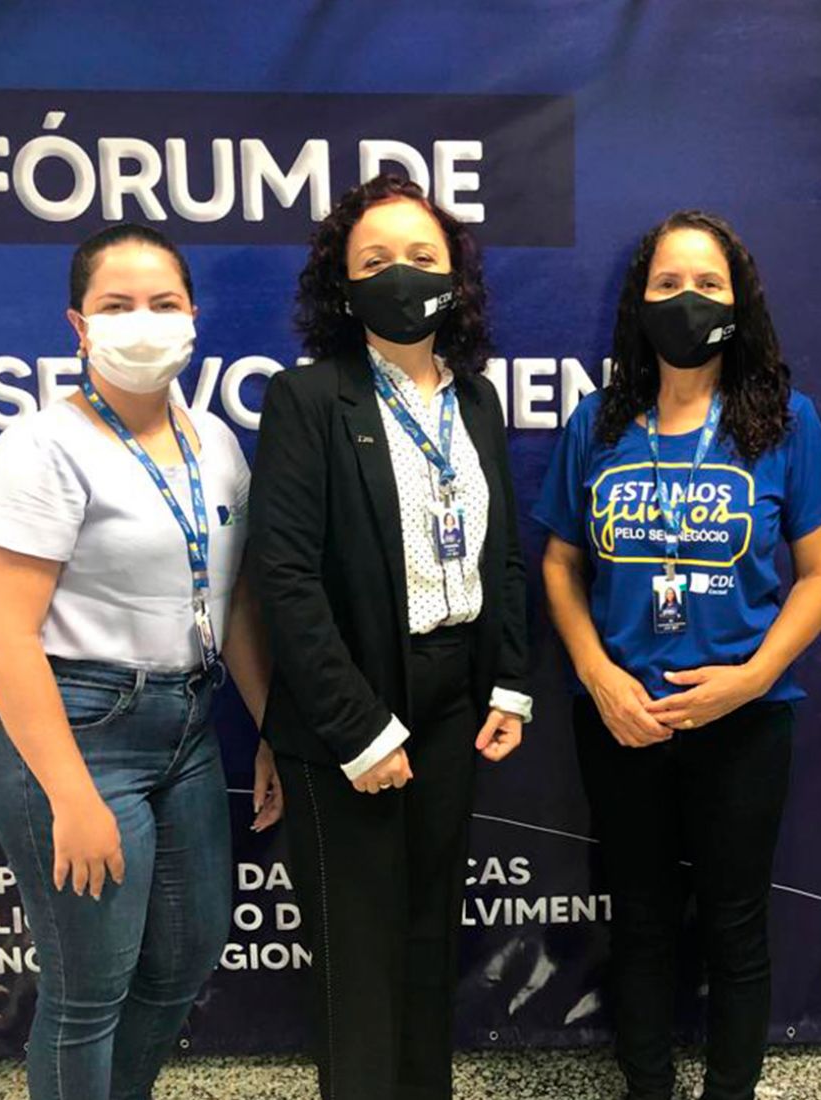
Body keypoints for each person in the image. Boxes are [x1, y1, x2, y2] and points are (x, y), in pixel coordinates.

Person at [535, 210, 821, 1100]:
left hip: (745, 723)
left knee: (734, 928)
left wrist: (752, 679)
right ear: (639, 303)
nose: (687, 299)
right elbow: (558, 564)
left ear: (738, 303)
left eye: (708, 283)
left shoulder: (786, 422)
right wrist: (598, 675)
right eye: (668, 283)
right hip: (622, 720)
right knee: (639, 924)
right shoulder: (599, 422)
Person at [0, 224, 281, 1100]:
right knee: (87, 990)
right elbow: (2, 634)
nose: (142, 322)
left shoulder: (215, 442)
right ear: (79, 326)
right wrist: (71, 798)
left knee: (186, 955)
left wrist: (272, 729)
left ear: (193, 317)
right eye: (117, 306)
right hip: (77, 731)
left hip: (186, 727)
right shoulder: (41, 448)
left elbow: (236, 604)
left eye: (163, 303)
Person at [250, 174, 531, 1100]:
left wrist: (509, 682)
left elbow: (502, 554)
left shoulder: (476, 400)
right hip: (351, 712)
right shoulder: (307, 399)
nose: (400, 275)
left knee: (427, 942)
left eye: (421, 257)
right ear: (342, 284)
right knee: (359, 967)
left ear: (456, 278)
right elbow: (285, 579)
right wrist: (358, 730)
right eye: (375, 261)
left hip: (455, 703)